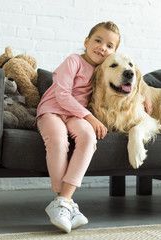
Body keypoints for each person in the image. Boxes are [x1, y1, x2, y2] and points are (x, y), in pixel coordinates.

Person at [36, 21, 120, 233]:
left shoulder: (104, 70)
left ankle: (64, 201)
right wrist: (90, 117)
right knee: (57, 139)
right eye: (98, 41)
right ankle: (64, 202)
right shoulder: (73, 61)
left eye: (109, 46)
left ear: (114, 52)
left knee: (89, 138)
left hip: (75, 115)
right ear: (87, 41)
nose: (102, 47)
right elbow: (62, 94)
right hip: (53, 110)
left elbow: (127, 79)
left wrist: (146, 95)